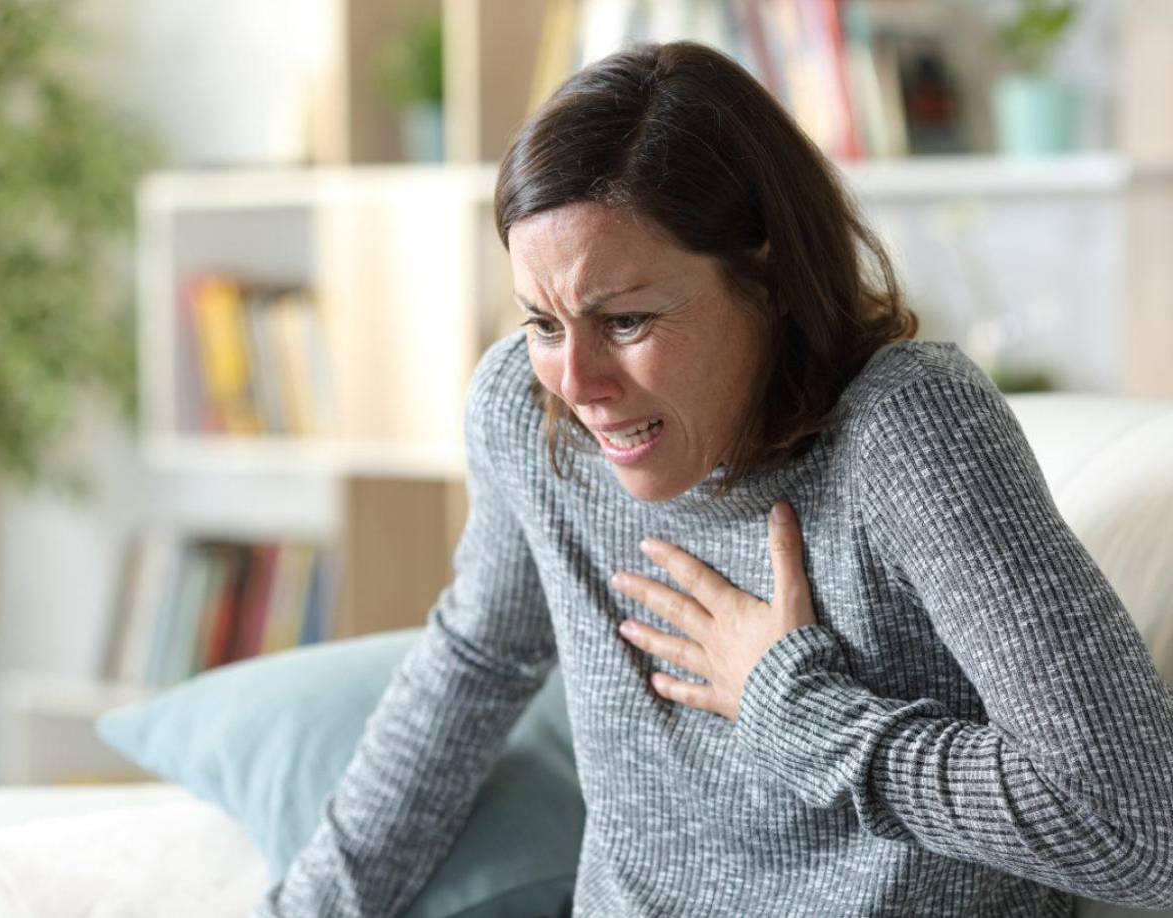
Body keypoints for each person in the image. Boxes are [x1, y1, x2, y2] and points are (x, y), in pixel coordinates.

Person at [253, 41, 1173, 916]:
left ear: (765, 277)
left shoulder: (903, 431)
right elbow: (474, 667)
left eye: (625, 322)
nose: (577, 384)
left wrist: (793, 707)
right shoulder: (525, 414)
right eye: (542, 324)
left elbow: (1139, 825)